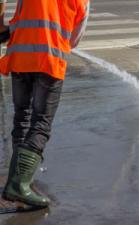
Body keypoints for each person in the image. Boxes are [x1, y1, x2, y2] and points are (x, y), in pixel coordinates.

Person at [0, 0, 89, 208]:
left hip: (20, 57)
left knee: (22, 118)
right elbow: (74, 40)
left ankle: (19, 180)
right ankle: (19, 185)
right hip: (49, 61)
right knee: (41, 123)